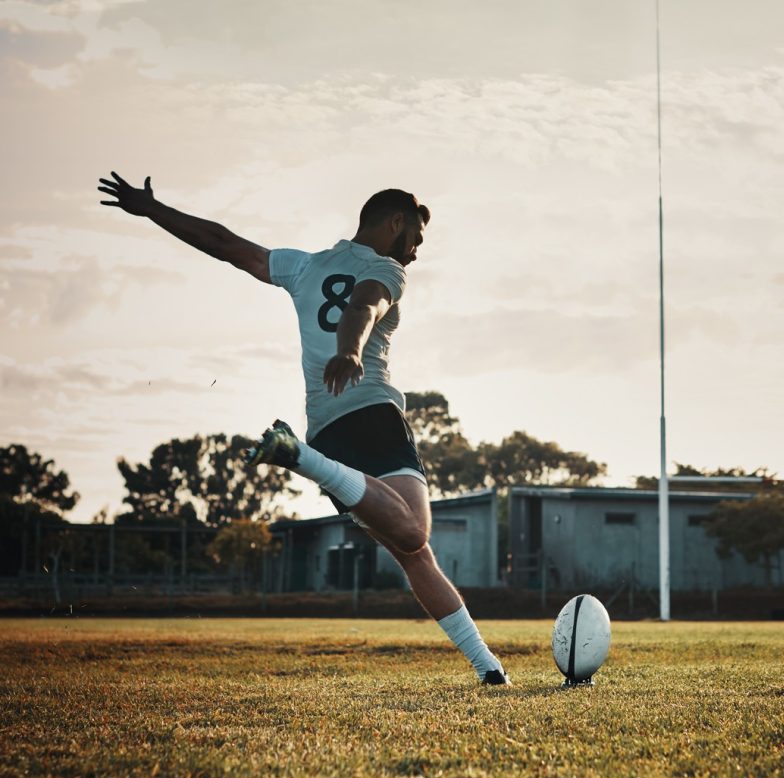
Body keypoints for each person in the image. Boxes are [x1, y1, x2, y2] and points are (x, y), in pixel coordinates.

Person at [97, 173, 510, 685]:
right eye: (416, 240)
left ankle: (488, 667)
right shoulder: (387, 270)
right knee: (414, 532)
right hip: (372, 413)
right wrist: (351, 350)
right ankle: (298, 458)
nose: (416, 254)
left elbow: (226, 245)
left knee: (413, 552)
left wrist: (154, 210)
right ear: (395, 223)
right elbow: (365, 304)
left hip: (329, 433)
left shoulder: (304, 265)